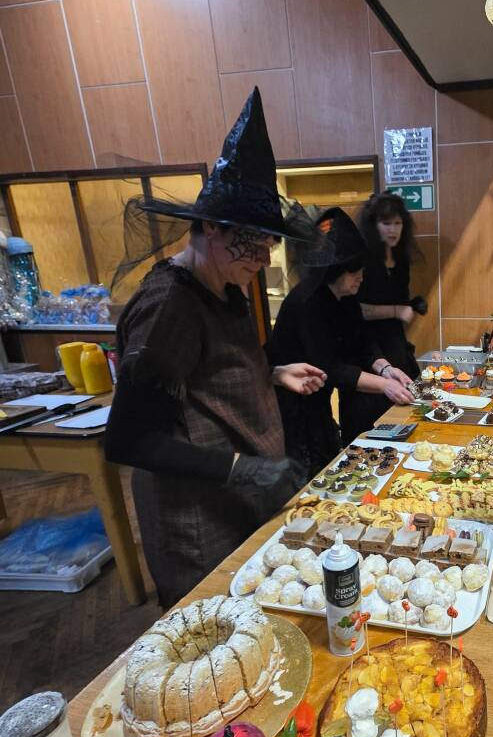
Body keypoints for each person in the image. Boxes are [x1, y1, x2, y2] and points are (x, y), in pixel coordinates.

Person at [105, 89, 327, 608]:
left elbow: (208, 375)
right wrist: (240, 468)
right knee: (211, 626)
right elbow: (127, 439)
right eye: (254, 240)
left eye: (269, 242)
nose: (265, 256)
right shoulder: (170, 305)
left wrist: (273, 373)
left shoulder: (225, 288)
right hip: (196, 517)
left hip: (236, 503)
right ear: (209, 226)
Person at [267, 207, 414, 459]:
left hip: (319, 395)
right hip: (292, 401)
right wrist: (385, 386)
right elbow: (330, 367)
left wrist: (386, 369)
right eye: (355, 272)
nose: (361, 278)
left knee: (328, 448)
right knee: (310, 459)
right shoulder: (307, 302)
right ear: (335, 271)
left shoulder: (346, 297)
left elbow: (363, 343)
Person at [356, 192, 424, 385]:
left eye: (397, 223)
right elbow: (355, 310)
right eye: (386, 224)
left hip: (394, 338)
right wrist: (396, 310)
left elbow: (400, 299)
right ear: (373, 225)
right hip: (364, 342)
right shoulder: (362, 259)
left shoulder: (401, 259)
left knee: (407, 389)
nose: (393, 230)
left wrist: (411, 305)